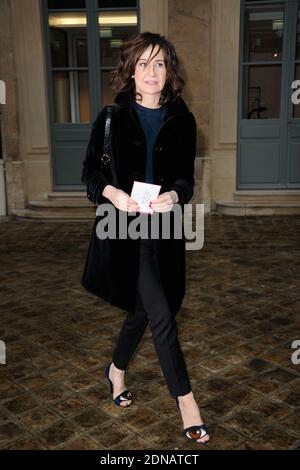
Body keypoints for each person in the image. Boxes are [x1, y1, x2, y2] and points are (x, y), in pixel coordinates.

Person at [81, 32, 209, 445]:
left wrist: (174, 195)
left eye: (159, 63)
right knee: (160, 314)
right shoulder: (110, 118)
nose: (151, 72)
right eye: (143, 64)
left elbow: (185, 180)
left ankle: (116, 370)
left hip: (165, 227)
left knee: (146, 308)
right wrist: (114, 194)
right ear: (130, 71)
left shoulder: (183, 120)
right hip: (122, 229)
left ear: (169, 70)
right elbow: (90, 175)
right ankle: (186, 401)